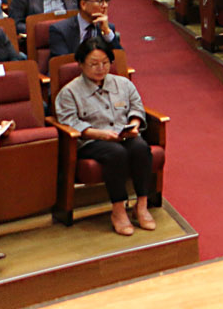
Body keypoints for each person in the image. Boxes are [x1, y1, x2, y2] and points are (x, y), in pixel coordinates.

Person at [52, 41, 155, 235]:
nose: (101, 68)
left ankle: (141, 205)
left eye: (105, 63)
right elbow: (69, 121)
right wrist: (100, 134)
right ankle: (118, 210)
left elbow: (136, 107)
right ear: (81, 64)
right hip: (91, 140)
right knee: (115, 153)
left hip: (123, 134)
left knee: (140, 147)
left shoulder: (122, 83)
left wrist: (134, 125)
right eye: (94, 64)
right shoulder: (69, 92)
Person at [49, 0, 121, 58]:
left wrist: (107, 32)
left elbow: (119, 60)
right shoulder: (60, 30)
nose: (105, 6)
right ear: (83, 4)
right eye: (100, 1)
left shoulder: (107, 28)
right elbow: (62, 63)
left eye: (106, 1)